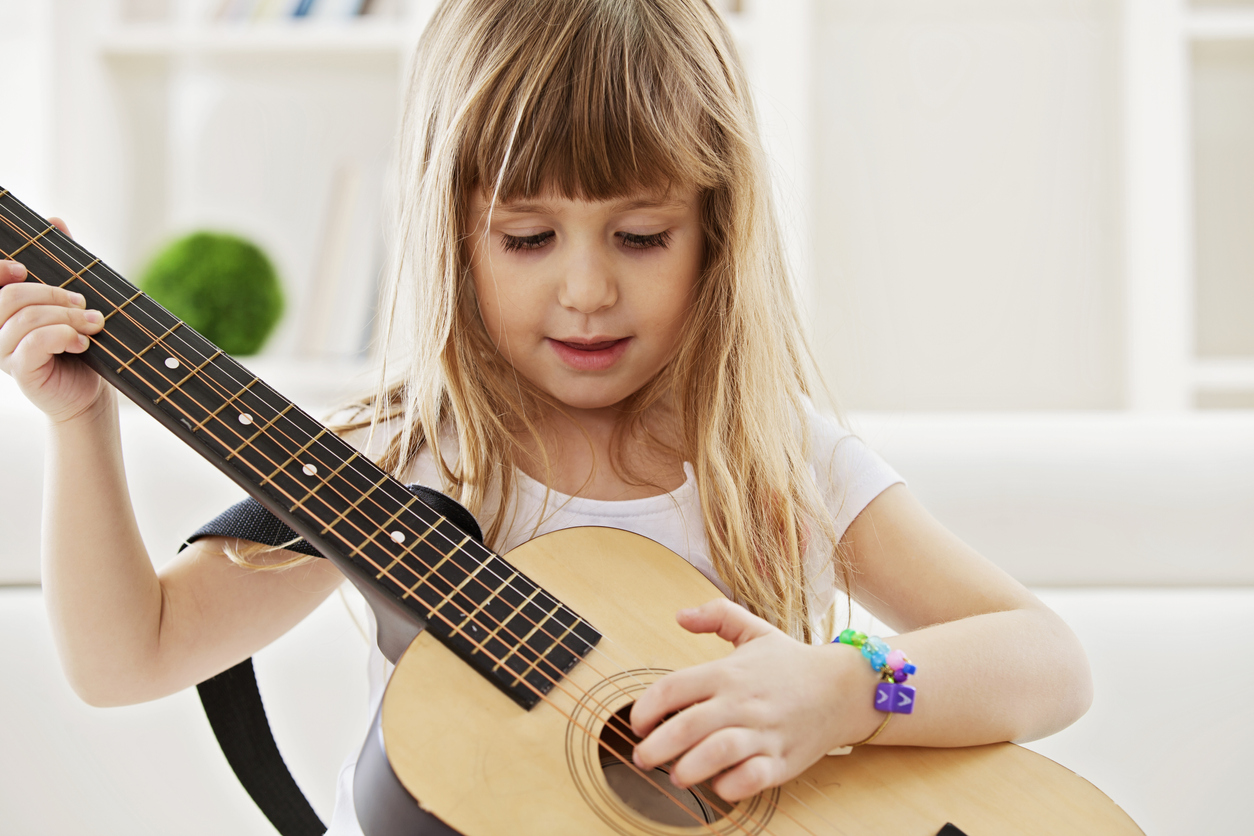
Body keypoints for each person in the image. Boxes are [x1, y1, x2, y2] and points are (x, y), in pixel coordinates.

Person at [0, 0, 1092, 832]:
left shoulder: (766, 455)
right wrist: (78, 424)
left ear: (717, 232)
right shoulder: (398, 468)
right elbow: (126, 657)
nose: (585, 291)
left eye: (640, 235)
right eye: (528, 238)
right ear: (452, 234)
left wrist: (849, 686)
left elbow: (1047, 659)